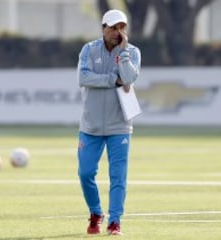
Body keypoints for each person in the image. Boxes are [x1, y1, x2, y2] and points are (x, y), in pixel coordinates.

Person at [76, 9, 141, 236]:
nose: (118, 32)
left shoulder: (132, 52)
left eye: (122, 27)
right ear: (103, 28)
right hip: (90, 126)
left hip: (119, 125)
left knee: (118, 175)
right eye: (113, 27)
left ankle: (115, 221)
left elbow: (130, 78)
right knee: (85, 173)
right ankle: (96, 212)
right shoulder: (89, 49)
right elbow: (83, 78)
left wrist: (122, 54)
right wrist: (113, 80)